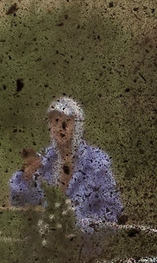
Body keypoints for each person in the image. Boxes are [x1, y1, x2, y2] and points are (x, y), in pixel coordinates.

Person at [8, 95, 122, 229]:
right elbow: (19, 201)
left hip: (83, 240)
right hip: (47, 238)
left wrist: (79, 227)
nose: (60, 128)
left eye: (66, 122)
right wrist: (26, 177)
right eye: (55, 122)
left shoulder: (96, 163)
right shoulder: (45, 161)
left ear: (78, 126)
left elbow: (113, 213)